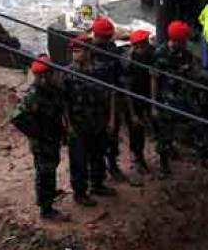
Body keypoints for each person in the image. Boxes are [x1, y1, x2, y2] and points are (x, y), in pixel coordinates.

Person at [151, 20, 208, 178]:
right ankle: (164, 164)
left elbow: (191, 75)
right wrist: (154, 105)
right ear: (177, 40)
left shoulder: (187, 54)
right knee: (165, 133)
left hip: (185, 97)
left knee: (199, 124)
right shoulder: (160, 54)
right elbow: (154, 79)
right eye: (184, 40)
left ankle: (205, 157)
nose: (186, 43)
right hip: (167, 99)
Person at [11, 56, 67, 220]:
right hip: (42, 141)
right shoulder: (34, 94)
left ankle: (47, 194)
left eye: (49, 74)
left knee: (51, 166)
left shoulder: (52, 89)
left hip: (52, 136)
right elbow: (16, 117)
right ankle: (46, 209)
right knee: (45, 172)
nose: (45, 78)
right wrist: (36, 133)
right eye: (41, 76)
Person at [63, 35, 117, 207]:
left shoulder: (101, 71)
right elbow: (64, 102)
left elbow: (111, 94)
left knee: (98, 154)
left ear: (88, 52)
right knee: (78, 160)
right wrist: (68, 125)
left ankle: (97, 184)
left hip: (99, 120)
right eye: (73, 51)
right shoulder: (68, 73)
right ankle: (80, 192)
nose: (75, 55)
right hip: (78, 124)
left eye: (78, 51)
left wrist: (112, 119)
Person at [91, 17, 128, 182]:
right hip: (93, 103)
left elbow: (119, 75)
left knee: (112, 135)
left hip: (111, 99)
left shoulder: (111, 50)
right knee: (96, 139)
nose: (106, 40)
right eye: (103, 37)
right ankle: (97, 174)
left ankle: (112, 165)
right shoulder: (88, 52)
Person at [124, 29, 155, 174]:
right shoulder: (129, 63)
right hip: (134, 98)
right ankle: (138, 156)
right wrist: (132, 114)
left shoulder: (151, 54)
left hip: (149, 94)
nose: (144, 49)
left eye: (145, 45)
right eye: (140, 46)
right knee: (136, 128)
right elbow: (127, 90)